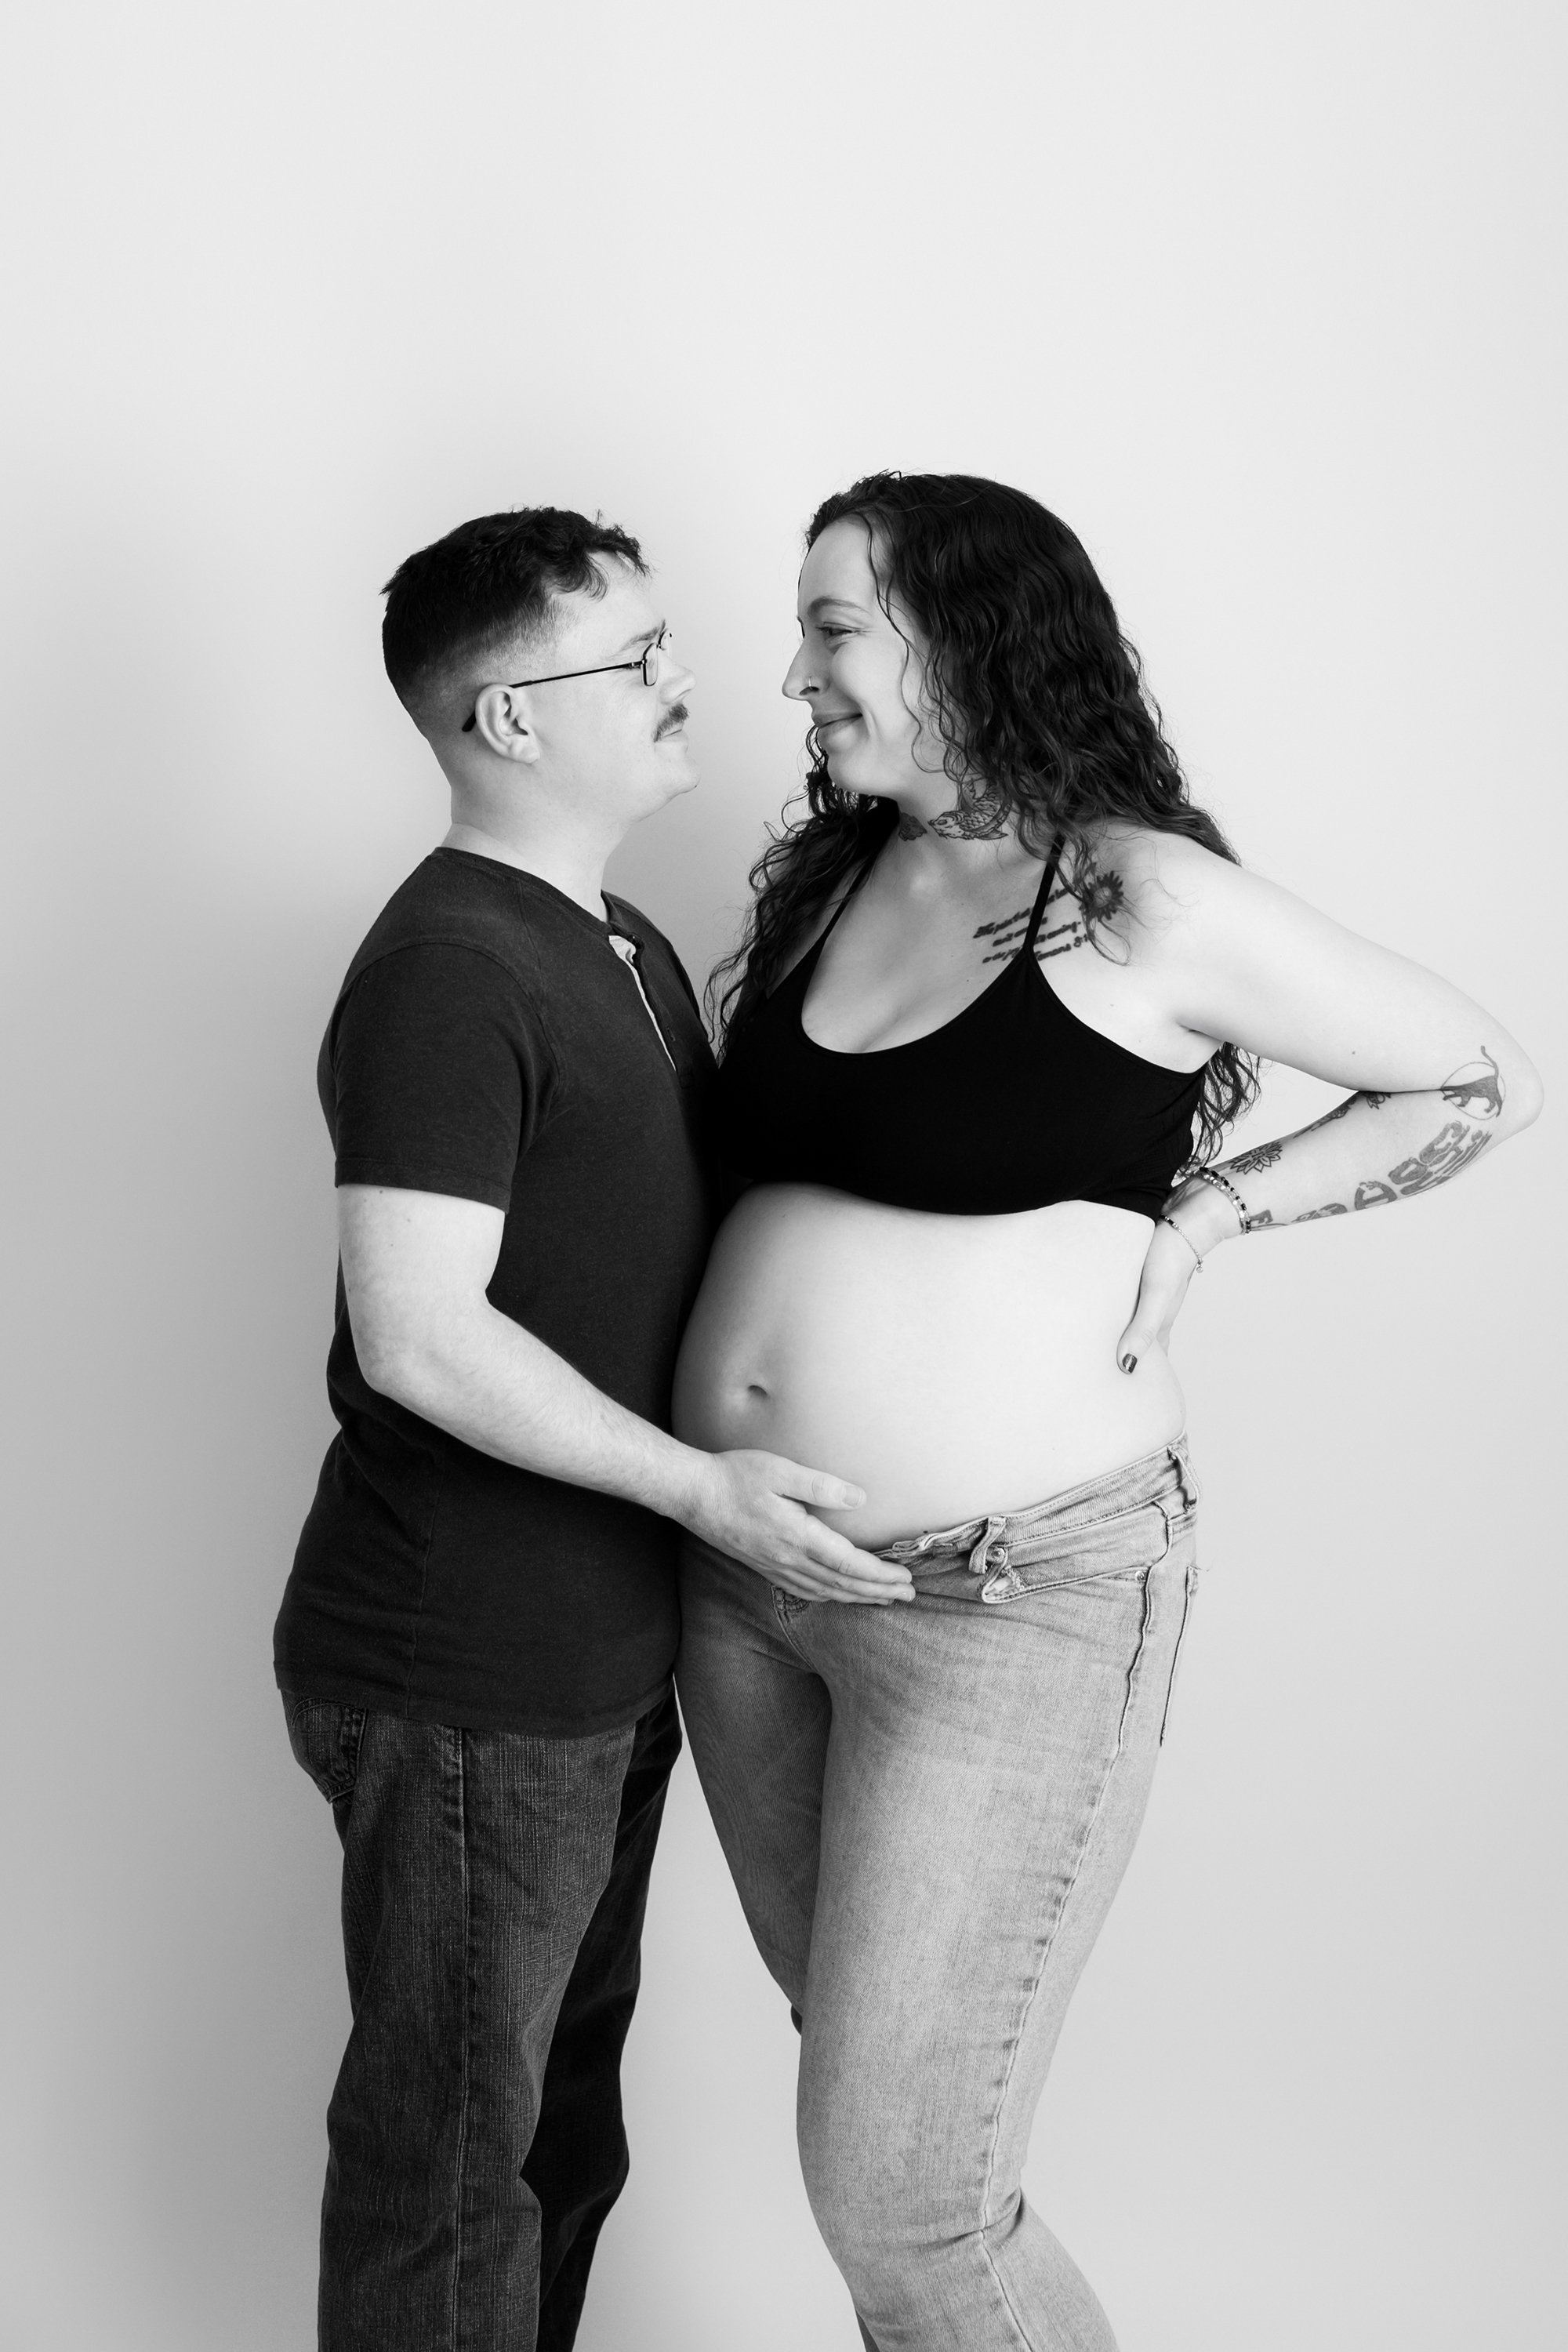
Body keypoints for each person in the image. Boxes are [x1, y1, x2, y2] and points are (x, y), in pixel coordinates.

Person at [672, 470, 1542, 2352]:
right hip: (744, 1592)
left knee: (901, 2197)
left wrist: (1216, 1209)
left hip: (1005, 1607)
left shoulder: (1130, 893)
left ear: (965, 635)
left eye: (831, 631)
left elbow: (1474, 1076)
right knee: (886, 2143)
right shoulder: (836, 875)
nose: (795, 677)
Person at [272, 506, 909, 2352]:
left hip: (591, 1659)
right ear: (510, 720)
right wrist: (705, 1485)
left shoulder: (615, 939)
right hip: (468, 1665)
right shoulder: (449, 968)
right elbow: (417, 1335)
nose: (679, 679)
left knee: (553, 2137)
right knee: (454, 2173)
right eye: (632, 658)